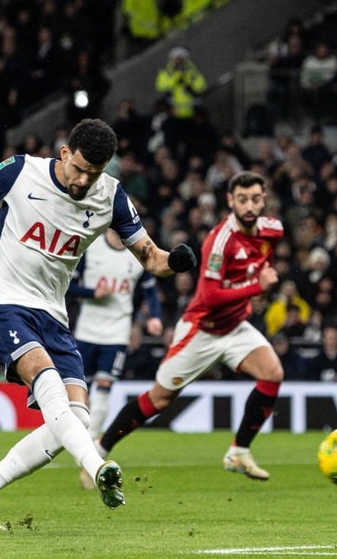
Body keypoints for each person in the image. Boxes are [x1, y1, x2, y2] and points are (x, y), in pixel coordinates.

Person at [0, 118, 197, 529]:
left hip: (53, 316)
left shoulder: (111, 196)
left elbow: (151, 258)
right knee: (48, 384)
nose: (83, 181)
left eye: (94, 173)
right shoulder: (21, 170)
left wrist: (176, 262)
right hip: (5, 303)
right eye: (79, 168)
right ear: (64, 152)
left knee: (76, 420)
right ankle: (98, 466)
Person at [96, 171, 285, 480]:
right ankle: (100, 451)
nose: (249, 206)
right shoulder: (220, 240)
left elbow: (259, 259)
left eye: (255, 198)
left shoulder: (272, 230)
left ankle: (238, 452)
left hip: (235, 326)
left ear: (264, 199)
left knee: (273, 374)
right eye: (242, 199)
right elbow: (210, 296)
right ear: (230, 201)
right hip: (202, 329)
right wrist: (257, 287)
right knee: (159, 399)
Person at [68, 229, 163, 488]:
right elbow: (68, 285)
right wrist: (91, 293)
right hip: (87, 330)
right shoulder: (90, 249)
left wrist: (154, 317)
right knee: (80, 389)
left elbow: (150, 291)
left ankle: (89, 445)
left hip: (117, 334)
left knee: (106, 388)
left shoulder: (138, 254)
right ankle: (79, 439)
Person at [156, 47, 207, 159]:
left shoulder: (192, 73)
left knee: (190, 146)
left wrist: (189, 84)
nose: (179, 62)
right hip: (173, 115)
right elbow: (161, 86)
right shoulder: (167, 73)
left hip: (190, 116)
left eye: (181, 59)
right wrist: (176, 80)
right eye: (177, 59)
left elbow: (201, 86)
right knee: (172, 145)